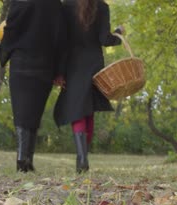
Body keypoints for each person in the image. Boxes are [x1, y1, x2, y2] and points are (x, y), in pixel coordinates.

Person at [53, 0, 124, 173]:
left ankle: (82, 158)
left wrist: (59, 71)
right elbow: (104, 39)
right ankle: (84, 158)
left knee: (77, 109)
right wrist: (119, 34)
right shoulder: (102, 6)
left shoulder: (66, 6)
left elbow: (61, 41)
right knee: (87, 110)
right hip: (94, 64)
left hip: (72, 65)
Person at [0, 0, 66, 173]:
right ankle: (28, 159)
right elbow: (60, 38)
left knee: (21, 111)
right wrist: (59, 71)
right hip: (45, 64)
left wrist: (4, 53)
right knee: (35, 112)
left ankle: (22, 158)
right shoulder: (55, 4)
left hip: (21, 61)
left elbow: (10, 29)